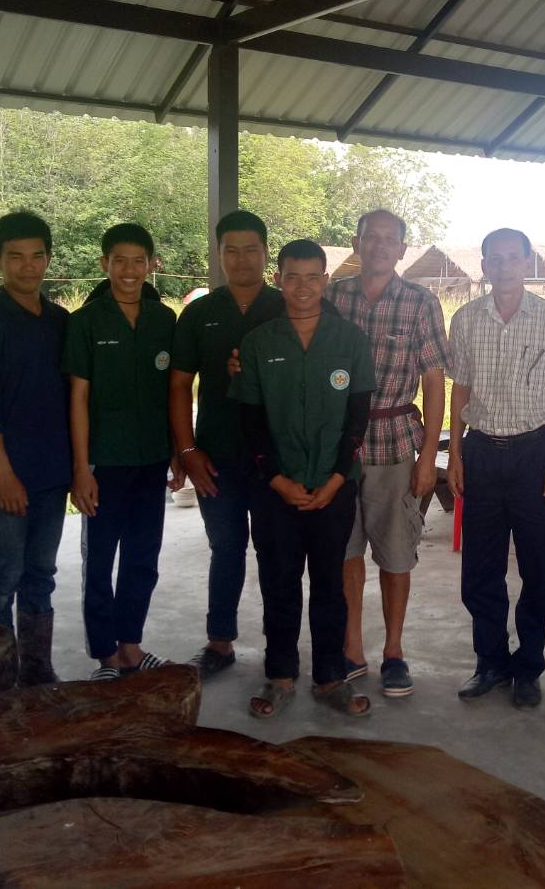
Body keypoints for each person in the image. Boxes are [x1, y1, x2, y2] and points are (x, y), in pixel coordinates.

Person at [233, 240, 375, 720]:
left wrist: (336, 479)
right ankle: (279, 676)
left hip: (334, 488)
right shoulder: (259, 342)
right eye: (292, 277)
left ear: (325, 281)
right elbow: (251, 421)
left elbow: (358, 418)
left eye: (313, 277)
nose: (303, 287)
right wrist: (276, 479)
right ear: (278, 280)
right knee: (279, 581)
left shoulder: (350, 340)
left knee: (330, 584)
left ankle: (331, 678)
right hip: (275, 491)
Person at [447, 228, 545, 709]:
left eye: (512, 257)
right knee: (479, 570)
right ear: (484, 265)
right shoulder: (466, 319)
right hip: (481, 453)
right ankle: (490, 663)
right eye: (495, 258)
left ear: (528, 262)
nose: (503, 266)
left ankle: (528, 667)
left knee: (537, 570)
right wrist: (456, 453)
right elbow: (460, 390)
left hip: (534, 454)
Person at [326, 209, 449, 698]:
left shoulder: (420, 302)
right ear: (357, 243)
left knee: (396, 554)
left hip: (395, 443)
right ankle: (352, 648)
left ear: (402, 249)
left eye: (389, 238)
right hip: (337, 447)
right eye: (370, 237)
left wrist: (427, 458)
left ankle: (393, 652)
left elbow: (435, 381)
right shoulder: (333, 296)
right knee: (345, 551)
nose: (379, 245)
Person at [170, 209, 283, 680]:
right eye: (230, 251)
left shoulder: (287, 305)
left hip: (278, 458)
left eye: (250, 250)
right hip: (217, 456)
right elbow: (180, 385)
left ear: (265, 253)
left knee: (276, 553)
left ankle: (281, 648)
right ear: (218, 255)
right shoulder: (200, 313)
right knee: (226, 547)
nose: (241, 260)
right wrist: (188, 451)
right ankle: (220, 641)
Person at [64, 223, 178, 680]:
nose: (130, 271)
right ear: (104, 264)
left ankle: (131, 647)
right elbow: (77, 398)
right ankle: (106, 655)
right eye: (120, 261)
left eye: (138, 261)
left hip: (152, 458)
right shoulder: (86, 322)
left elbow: (172, 393)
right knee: (99, 561)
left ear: (151, 265)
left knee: (143, 557)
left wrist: (176, 452)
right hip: (104, 462)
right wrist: (81, 469)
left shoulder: (164, 320)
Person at [0, 211, 70, 686]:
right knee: (2, 576)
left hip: (53, 472)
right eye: (16, 257)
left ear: (48, 259)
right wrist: (2, 474)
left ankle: (37, 669)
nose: (28, 267)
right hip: (6, 475)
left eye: (37, 256)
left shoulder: (60, 321)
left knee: (41, 573)